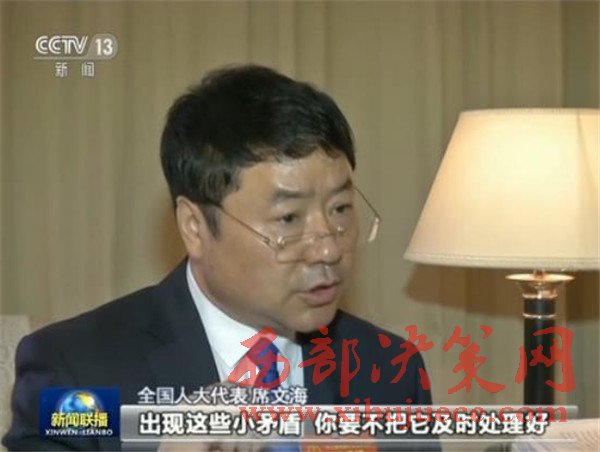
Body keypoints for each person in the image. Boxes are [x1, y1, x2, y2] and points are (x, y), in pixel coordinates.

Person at [2, 65, 432, 451]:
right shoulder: (76, 370)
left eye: (340, 210)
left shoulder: (390, 370)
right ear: (195, 227)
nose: (328, 249)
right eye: (288, 219)